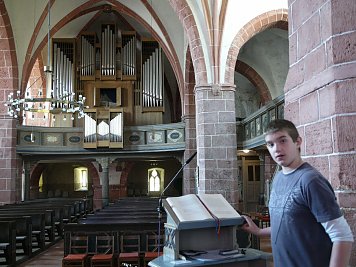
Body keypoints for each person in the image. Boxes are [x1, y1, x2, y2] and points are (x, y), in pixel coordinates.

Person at [241, 119, 354, 267]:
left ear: (297, 142)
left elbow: (342, 235)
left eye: (283, 141)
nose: (276, 149)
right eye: (271, 144)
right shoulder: (279, 178)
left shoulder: (310, 180)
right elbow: (290, 224)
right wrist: (259, 232)